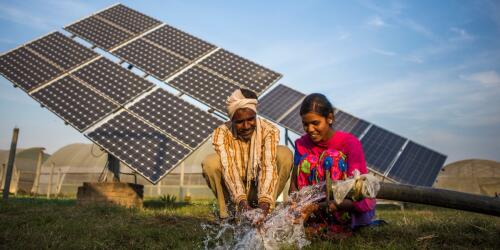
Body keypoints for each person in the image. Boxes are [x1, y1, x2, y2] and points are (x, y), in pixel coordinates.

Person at [289, 93, 376, 234]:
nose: (310, 129)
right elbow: (294, 185)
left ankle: (341, 225)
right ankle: (317, 222)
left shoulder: (350, 144)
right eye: (305, 124)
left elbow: (358, 192)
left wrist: (333, 204)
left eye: (315, 123)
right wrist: (295, 205)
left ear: (330, 118)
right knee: (308, 161)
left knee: (332, 158)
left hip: (346, 207)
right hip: (312, 210)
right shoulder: (301, 144)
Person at [202, 88, 293, 219]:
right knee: (210, 163)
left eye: (251, 119)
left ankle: (266, 213)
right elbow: (229, 169)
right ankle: (229, 215)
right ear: (232, 120)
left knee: (284, 154)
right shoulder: (222, 133)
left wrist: (264, 204)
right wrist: (242, 203)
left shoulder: (269, 131)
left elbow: (268, 167)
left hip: (259, 187)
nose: (246, 126)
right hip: (233, 189)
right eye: (239, 122)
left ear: (255, 115)